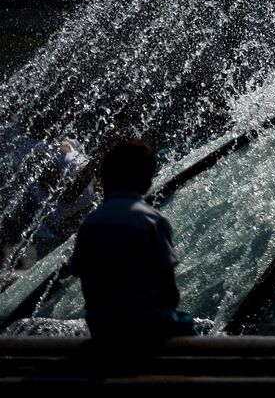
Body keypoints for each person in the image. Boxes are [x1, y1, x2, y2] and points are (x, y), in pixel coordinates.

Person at [70, 138, 195, 343]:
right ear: (146, 180)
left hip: (104, 329)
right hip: (147, 327)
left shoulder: (91, 223)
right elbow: (169, 289)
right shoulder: (152, 220)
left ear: (105, 177)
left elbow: (83, 278)